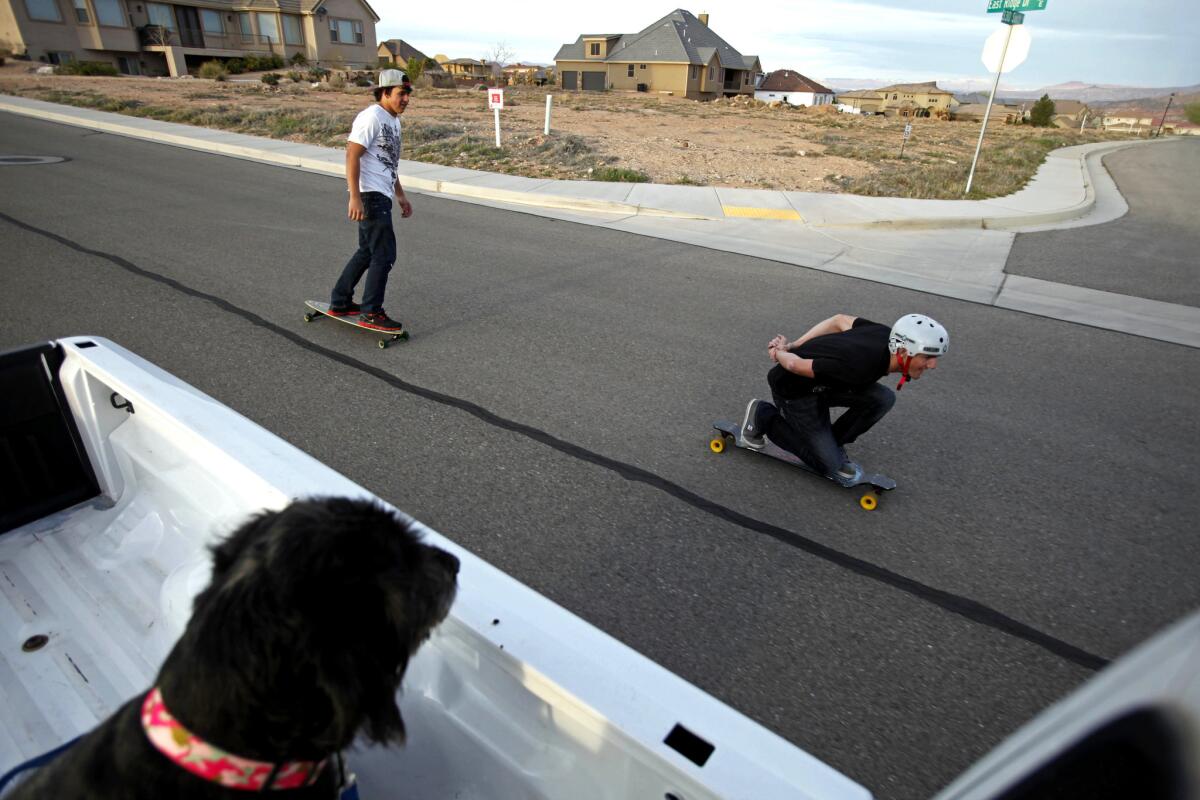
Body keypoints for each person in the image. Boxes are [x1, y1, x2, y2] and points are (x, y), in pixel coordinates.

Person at [739, 314, 948, 485]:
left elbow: (838, 320)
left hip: (828, 382)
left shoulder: (887, 336)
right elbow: (795, 366)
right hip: (795, 391)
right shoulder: (859, 367)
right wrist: (782, 352)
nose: (932, 365)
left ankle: (833, 443)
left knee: (883, 399)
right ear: (903, 352)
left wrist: (794, 344)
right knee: (827, 465)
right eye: (927, 357)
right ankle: (762, 415)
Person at [327, 68, 414, 332]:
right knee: (384, 255)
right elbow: (352, 155)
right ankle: (371, 312)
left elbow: (389, 162)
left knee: (367, 251)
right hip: (370, 195)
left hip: (382, 194)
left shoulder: (394, 121)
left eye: (408, 94)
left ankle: (340, 301)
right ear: (384, 92)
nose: (406, 100)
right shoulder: (371, 117)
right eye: (401, 94)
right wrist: (354, 196)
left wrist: (400, 195)